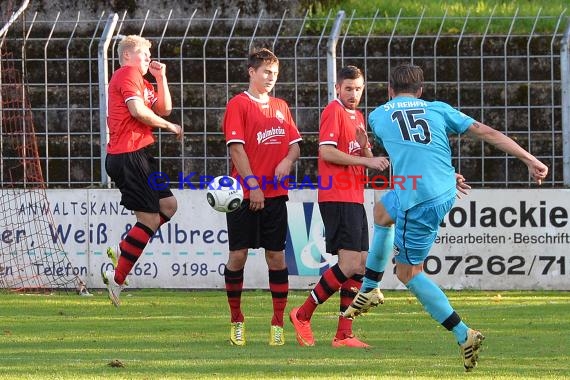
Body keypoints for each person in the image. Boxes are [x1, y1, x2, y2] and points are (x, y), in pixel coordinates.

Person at [343, 63, 548, 370]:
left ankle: (463, 333)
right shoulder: (438, 109)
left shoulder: (378, 115)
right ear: (421, 90)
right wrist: (530, 160)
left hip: (420, 198)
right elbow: (484, 133)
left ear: (389, 90)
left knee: (407, 273)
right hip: (432, 188)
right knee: (382, 211)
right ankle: (370, 287)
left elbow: (403, 152)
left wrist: (363, 146)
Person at [289, 65, 389, 348]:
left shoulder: (356, 116)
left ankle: (344, 334)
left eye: (358, 89)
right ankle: (302, 313)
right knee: (348, 264)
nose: (353, 94)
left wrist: (366, 149)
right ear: (337, 88)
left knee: (360, 265)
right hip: (337, 195)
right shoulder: (333, 111)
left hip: (354, 196)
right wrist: (366, 160)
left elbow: (361, 157)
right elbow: (326, 151)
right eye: (348, 88)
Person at [222, 48, 302, 346]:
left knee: (276, 258)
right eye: (266, 72)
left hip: (276, 195)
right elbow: (236, 149)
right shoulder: (238, 104)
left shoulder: (281, 106)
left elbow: (295, 144)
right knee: (238, 256)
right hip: (244, 194)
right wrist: (254, 185)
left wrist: (287, 161)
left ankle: (278, 323)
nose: (271, 78)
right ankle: (236, 320)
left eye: (275, 73)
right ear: (251, 72)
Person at [102, 35, 183, 307]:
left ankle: (124, 249)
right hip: (127, 155)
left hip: (140, 154)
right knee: (148, 221)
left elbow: (164, 108)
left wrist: (161, 79)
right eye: (144, 55)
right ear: (127, 56)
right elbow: (137, 111)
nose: (150, 59)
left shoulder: (144, 80)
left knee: (168, 206)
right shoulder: (127, 73)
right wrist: (169, 127)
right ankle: (118, 278)